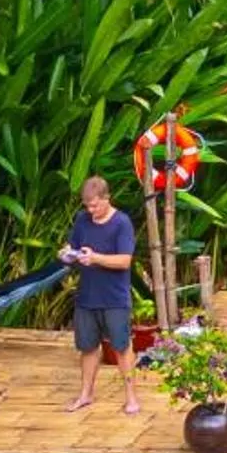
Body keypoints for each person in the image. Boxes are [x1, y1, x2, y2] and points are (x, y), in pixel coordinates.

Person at [61, 172, 139, 415]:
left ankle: (131, 397)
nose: (91, 210)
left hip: (114, 298)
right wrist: (67, 254)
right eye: (87, 206)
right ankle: (86, 394)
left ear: (107, 198)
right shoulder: (82, 220)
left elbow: (125, 261)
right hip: (87, 297)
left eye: (95, 205)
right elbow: (73, 248)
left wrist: (95, 258)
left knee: (121, 346)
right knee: (87, 347)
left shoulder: (122, 223)